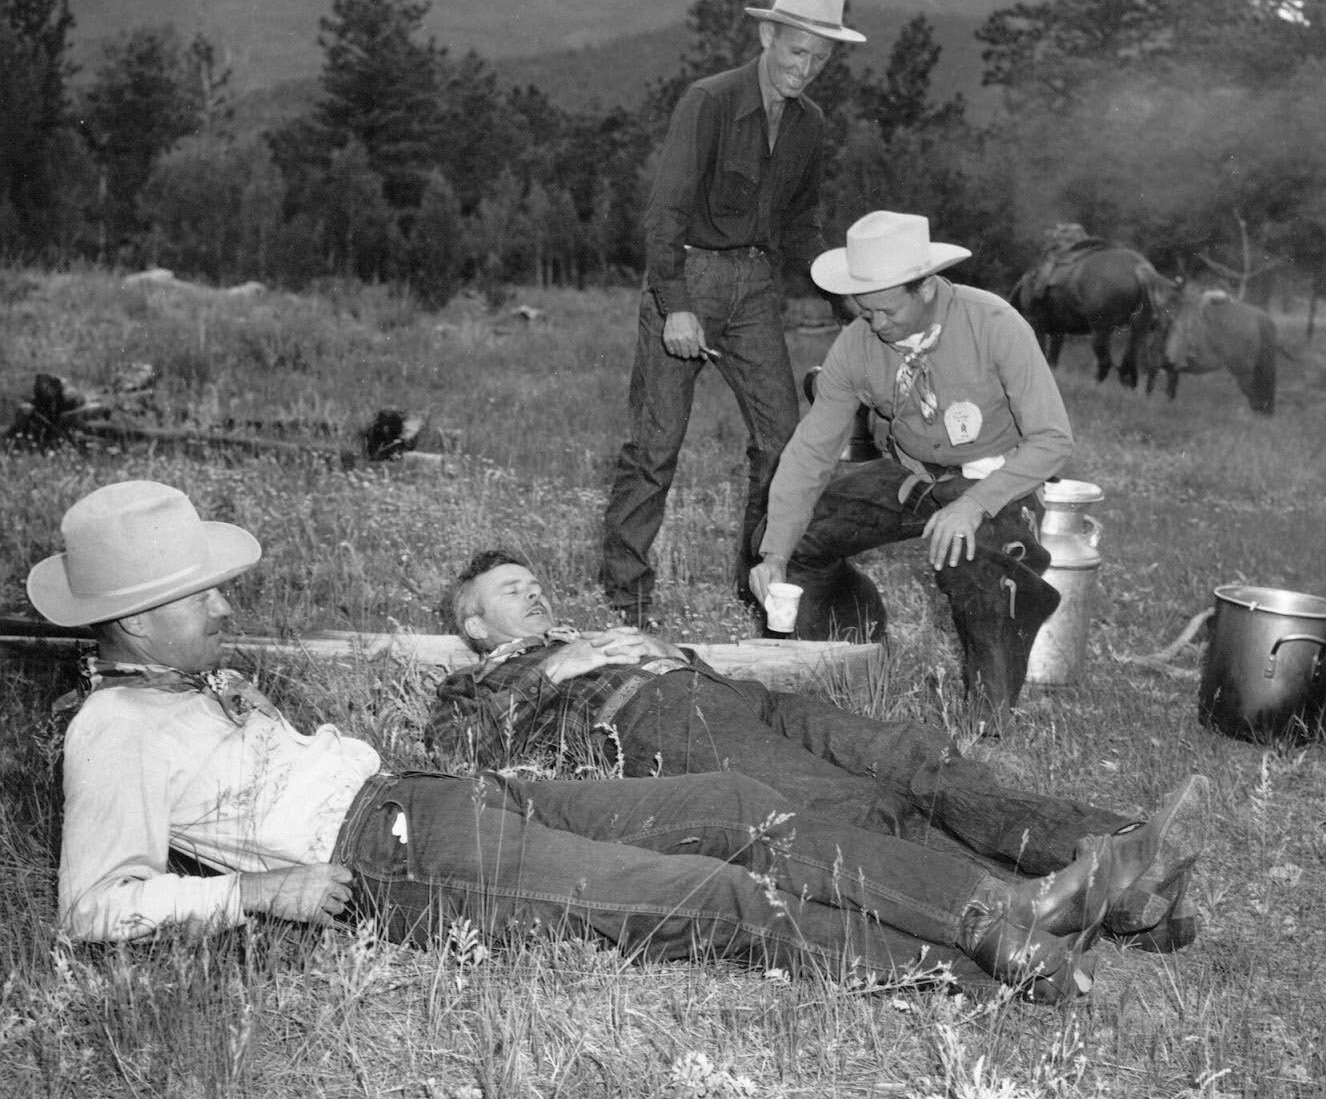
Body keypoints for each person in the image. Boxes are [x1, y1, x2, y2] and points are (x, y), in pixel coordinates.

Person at [32, 481, 1207, 1003]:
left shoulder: (180, 683)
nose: (223, 603)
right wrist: (254, 895)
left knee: (746, 808)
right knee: (709, 898)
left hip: (441, 794)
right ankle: (969, 971)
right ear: (131, 617)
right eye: (197, 593)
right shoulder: (111, 728)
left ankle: (1003, 909)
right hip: (392, 855)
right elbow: (93, 904)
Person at [431, 548, 1204, 951]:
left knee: (911, 756)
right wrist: (545, 678)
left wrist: (662, 649)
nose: (533, 593)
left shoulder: (592, 633)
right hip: (655, 718)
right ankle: (1046, 905)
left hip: (729, 694)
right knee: (855, 807)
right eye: (509, 590)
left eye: (533, 583)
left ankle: (1114, 855)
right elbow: (472, 756)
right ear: (473, 628)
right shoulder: (476, 684)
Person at [600, 0, 865, 625]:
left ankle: (759, 586)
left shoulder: (810, 124)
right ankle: (627, 598)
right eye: (796, 51)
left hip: (755, 287)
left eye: (819, 59)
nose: (804, 69)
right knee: (656, 446)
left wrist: (845, 296)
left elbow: (801, 227)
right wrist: (676, 305)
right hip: (689, 277)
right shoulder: (710, 101)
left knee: (784, 442)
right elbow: (665, 212)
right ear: (769, 36)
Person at [749, 211, 1073, 729]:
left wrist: (972, 504)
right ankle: (850, 653)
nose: (875, 325)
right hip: (912, 476)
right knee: (793, 536)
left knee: (975, 557)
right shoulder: (856, 344)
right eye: (863, 310)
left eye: (886, 310)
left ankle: (988, 719)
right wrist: (774, 555)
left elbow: (1052, 439)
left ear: (924, 286)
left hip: (995, 479)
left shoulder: (994, 324)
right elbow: (811, 451)